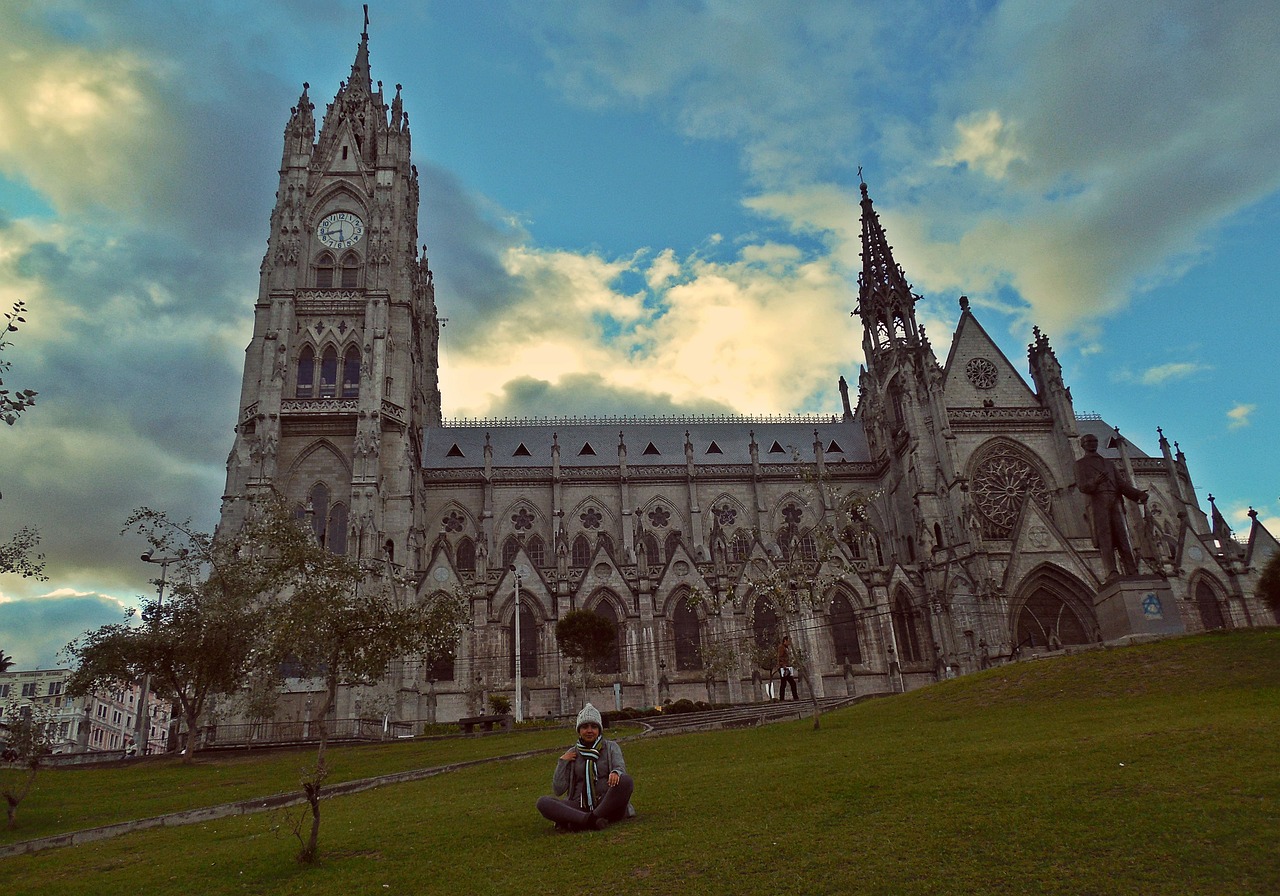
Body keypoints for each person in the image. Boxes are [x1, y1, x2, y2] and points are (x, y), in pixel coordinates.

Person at [536, 703, 635, 831]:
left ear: (599, 729)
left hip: (606, 802)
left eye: (594, 727)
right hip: (578, 804)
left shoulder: (611, 747)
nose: (589, 731)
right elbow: (558, 790)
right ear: (579, 730)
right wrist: (562, 763)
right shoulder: (572, 753)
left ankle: (583, 819)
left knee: (626, 781)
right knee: (543, 802)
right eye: (585, 727)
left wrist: (616, 773)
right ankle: (590, 820)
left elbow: (620, 768)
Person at [1075, 432, 1148, 579]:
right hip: (1097, 502)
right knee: (1105, 538)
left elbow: (1122, 484)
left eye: (1094, 441)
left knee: (1124, 537)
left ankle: (1132, 570)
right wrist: (1095, 481)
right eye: (1089, 441)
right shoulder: (1080, 464)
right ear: (1082, 445)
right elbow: (1082, 487)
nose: (1092, 444)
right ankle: (1111, 571)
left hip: (1115, 500)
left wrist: (1138, 494)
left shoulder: (1109, 464)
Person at [777, 635, 798, 701]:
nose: (789, 642)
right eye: (789, 641)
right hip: (783, 668)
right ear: (785, 641)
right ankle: (783, 698)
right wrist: (783, 665)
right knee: (786, 683)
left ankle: (793, 697)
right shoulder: (781, 647)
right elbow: (780, 657)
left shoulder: (786, 648)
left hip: (787, 667)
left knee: (788, 683)